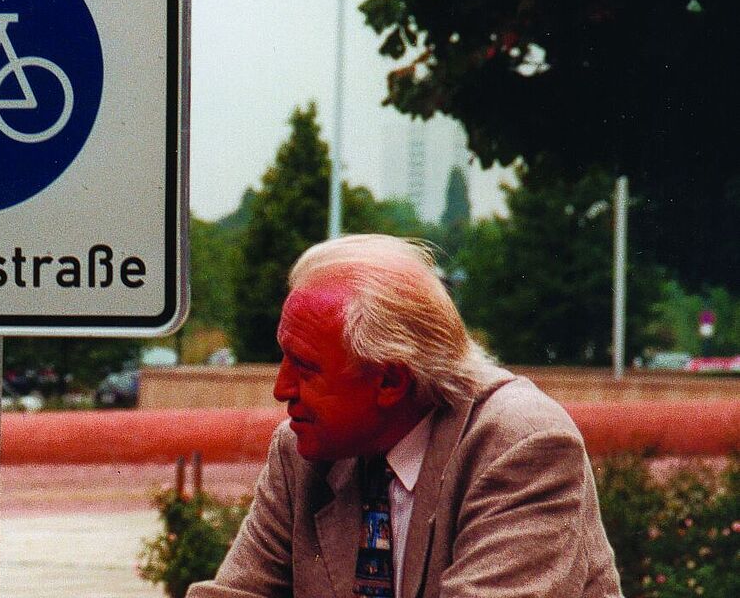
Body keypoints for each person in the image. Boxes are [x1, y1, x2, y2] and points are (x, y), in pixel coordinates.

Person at [187, 234, 621, 598]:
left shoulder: (520, 443)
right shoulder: (301, 453)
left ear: (391, 381)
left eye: (305, 367)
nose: (281, 389)